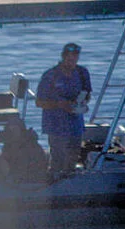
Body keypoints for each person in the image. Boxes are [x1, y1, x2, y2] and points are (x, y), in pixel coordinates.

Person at [36, 42, 92, 182]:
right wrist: (60, 104)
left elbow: (87, 94)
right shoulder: (50, 75)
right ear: (63, 57)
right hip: (56, 124)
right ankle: (53, 183)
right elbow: (39, 102)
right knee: (58, 157)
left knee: (73, 155)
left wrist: (81, 103)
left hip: (75, 124)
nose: (72, 61)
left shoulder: (82, 73)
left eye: (75, 58)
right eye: (69, 58)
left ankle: (70, 182)